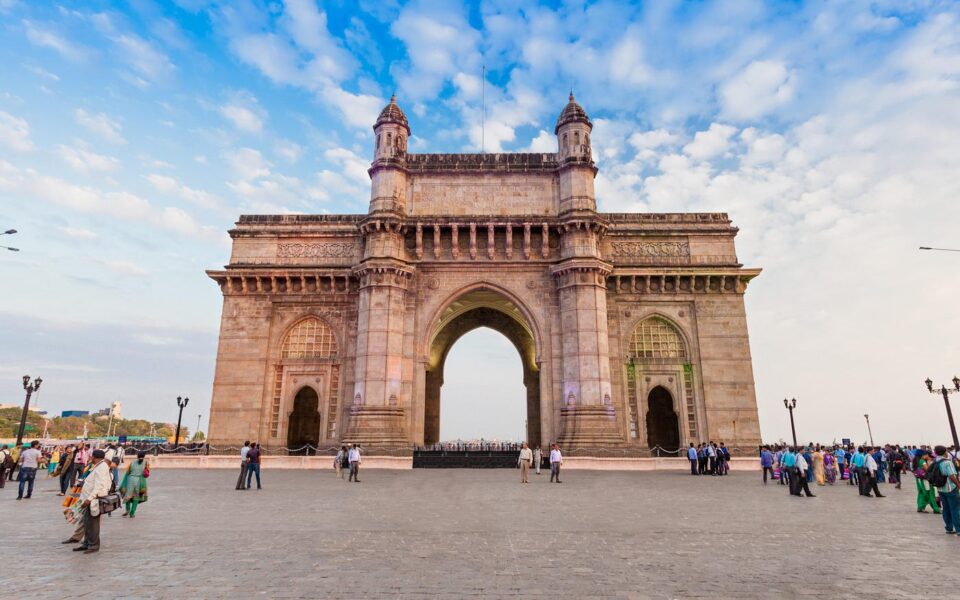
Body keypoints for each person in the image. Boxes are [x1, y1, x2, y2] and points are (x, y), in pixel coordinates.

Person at [72, 449, 112, 554]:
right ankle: (86, 543)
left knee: (93, 524)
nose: (91, 458)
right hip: (88, 499)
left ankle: (93, 545)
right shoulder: (99, 466)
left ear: (95, 457)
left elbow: (99, 485)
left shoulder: (102, 467)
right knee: (87, 522)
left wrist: (90, 498)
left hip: (93, 500)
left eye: (92, 457)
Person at [931, 445, 960, 534]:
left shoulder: (935, 461)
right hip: (950, 488)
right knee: (955, 509)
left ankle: (949, 528)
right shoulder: (948, 462)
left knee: (946, 509)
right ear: (945, 452)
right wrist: (958, 485)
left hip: (941, 488)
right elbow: (951, 476)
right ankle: (959, 529)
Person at [119, 451, 149, 518]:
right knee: (136, 497)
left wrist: (123, 483)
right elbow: (147, 474)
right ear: (144, 457)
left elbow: (127, 472)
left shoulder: (132, 463)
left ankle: (127, 510)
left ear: (137, 456)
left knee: (128, 496)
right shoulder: (146, 463)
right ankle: (132, 513)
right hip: (139, 481)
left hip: (130, 480)